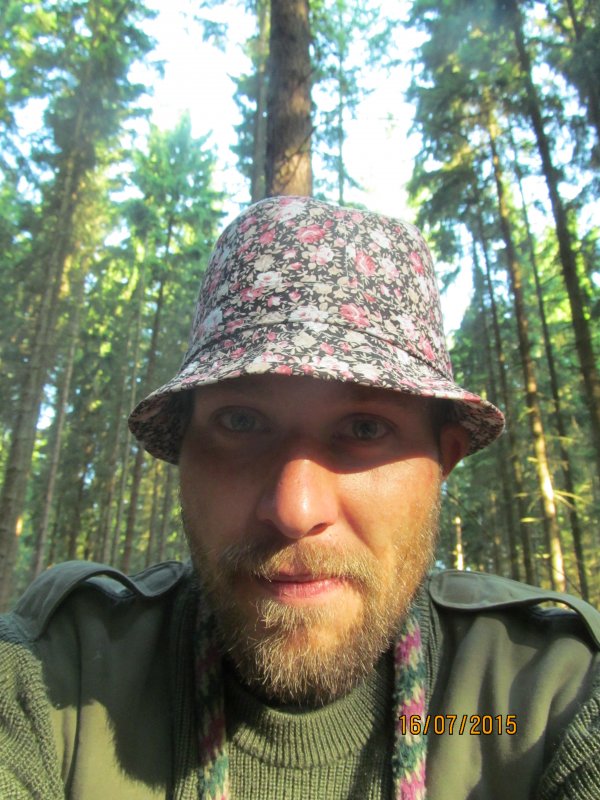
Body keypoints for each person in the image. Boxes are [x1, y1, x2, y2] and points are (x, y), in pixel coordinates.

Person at [0, 196, 598, 800]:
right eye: (240, 421)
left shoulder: (541, 697)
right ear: (183, 446)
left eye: (365, 428)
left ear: (445, 459)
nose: (294, 511)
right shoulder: (59, 679)